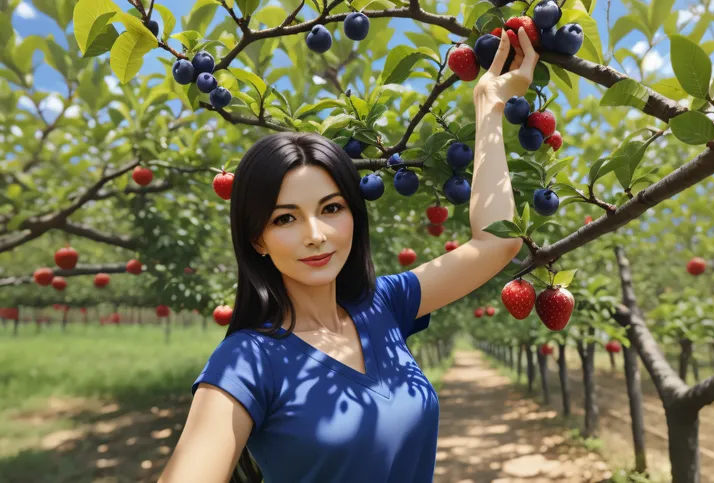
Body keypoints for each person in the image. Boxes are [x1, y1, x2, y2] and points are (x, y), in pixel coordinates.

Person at [158, 27, 537, 483]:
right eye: (285, 219)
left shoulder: (383, 305)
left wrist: (490, 106)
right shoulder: (247, 361)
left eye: (331, 209)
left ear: (355, 217)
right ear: (256, 239)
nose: (316, 235)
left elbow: (497, 242)